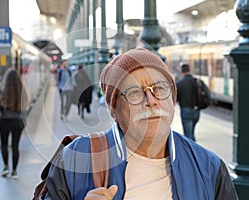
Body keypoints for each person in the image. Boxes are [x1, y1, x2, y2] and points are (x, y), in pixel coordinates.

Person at [42, 48, 237, 199]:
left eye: (159, 88)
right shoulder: (74, 160)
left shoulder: (209, 168)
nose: (151, 100)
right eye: (135, 92)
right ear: (113, 110)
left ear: (172, 97)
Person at [0, 68, 28, 179]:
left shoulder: (3, 90)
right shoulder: (22, 91)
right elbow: (25, 107)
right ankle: (15, 171)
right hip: (18, 121)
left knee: (4, 145)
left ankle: (6, 167)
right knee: (15, 146)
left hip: (5, 120)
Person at [176, 63, 200, 141]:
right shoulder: (197, 82)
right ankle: (195, 149)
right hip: (196, 111)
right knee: (192, 133)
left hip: (185, 111)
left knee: (188, 135)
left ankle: (191, 151)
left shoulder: (180, 84)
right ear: (190, 70)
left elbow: (175, 99)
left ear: (181, 71)